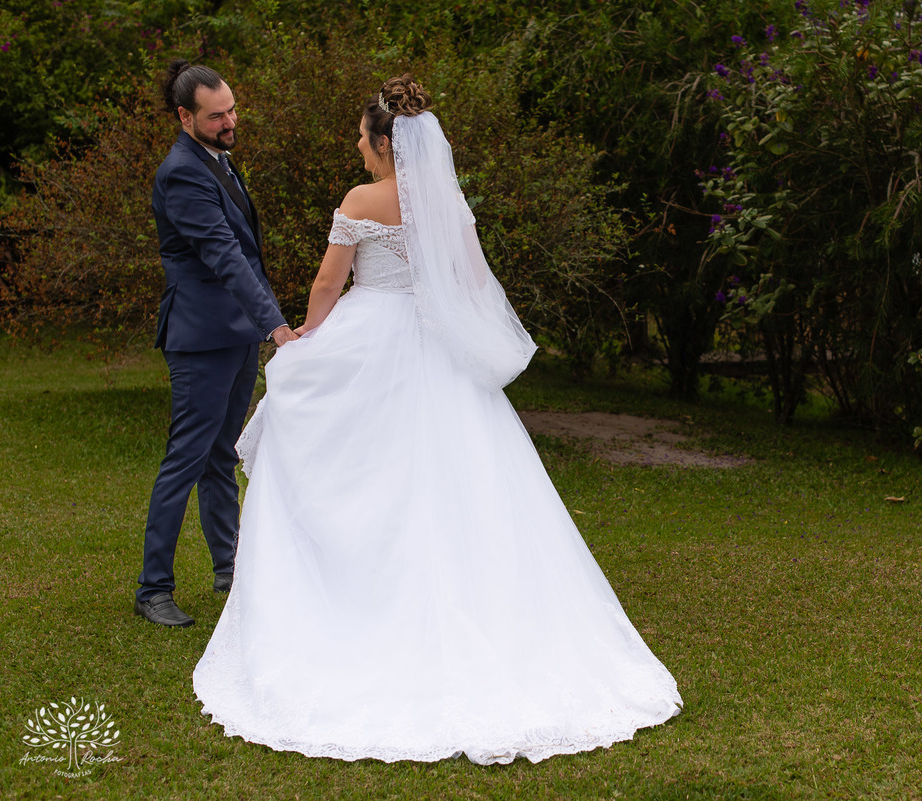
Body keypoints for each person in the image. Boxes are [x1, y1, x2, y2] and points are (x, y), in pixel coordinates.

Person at [192, 75, 681, 764]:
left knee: (357, 471)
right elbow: (475, 283)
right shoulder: (447, 204)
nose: (357, 148)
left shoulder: (364, 199)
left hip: (370, 336)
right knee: (461, 487)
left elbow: (330, 282)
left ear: (386, 145)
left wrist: (304, 334)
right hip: (437, 349)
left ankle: (346, 605)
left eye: (362, 138)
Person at [136, 60, 297, 628]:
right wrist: (276, 325)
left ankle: (229, 569)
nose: (230, 120)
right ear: (185, 117)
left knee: (220, 458)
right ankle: (153, 588)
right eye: (216, 115)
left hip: (236, 334)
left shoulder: (217, 159)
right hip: (201, 338)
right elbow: (224, 254)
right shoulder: (181, 172)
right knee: (185, 459)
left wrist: (260, 324)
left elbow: (246, 254)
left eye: (231, 108)